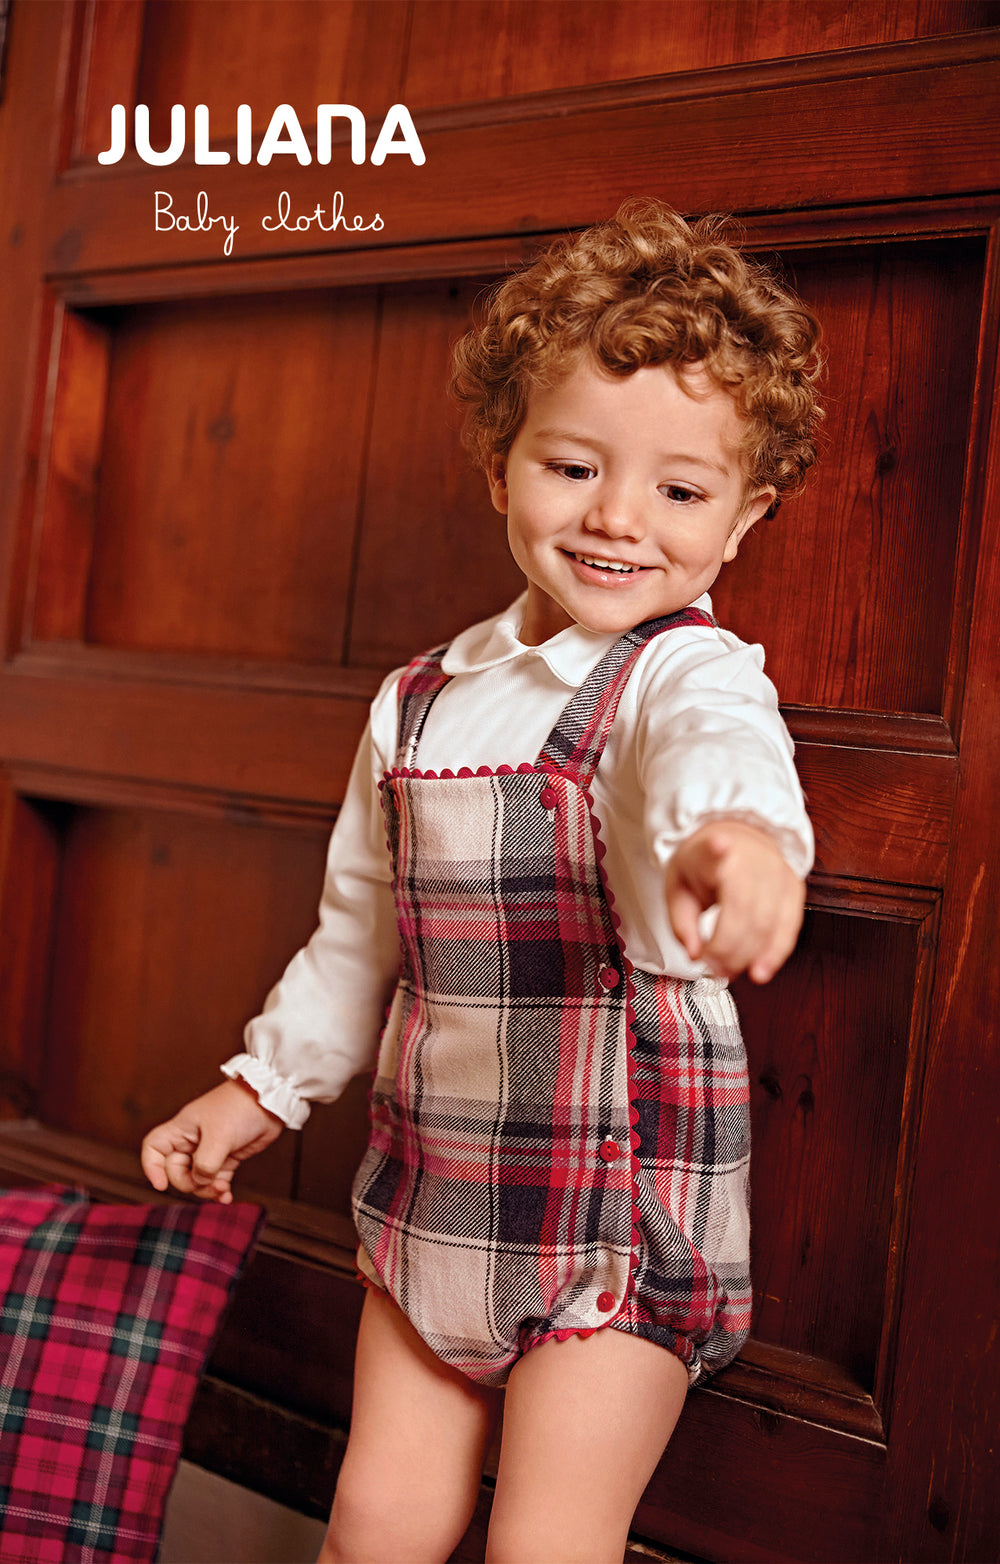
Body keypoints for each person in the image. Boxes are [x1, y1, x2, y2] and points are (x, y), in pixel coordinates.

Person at [142, 201, 822, 1564]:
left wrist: (737, 847)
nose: (619, 517)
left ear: (743, 518)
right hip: (432, 1198)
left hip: (617, 1216)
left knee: (545, 1548)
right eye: (572, 465)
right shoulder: (420, 703)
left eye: (680, 491)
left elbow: (716, 758)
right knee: (372, 1532)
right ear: (501, 464)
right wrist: (257, 1089)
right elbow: (358, 936)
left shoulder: (685, 675)